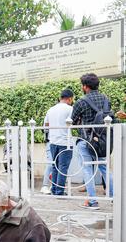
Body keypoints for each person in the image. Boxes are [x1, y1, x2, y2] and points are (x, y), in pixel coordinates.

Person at [72, 73, 113, 210]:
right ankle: (114, 198)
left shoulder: (81, 102)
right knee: (105, 168)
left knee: (88, 169)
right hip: (102, 140)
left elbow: (72, 121)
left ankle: (92, 202)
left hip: (86, 141)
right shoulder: (106, 100)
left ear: (85, 86)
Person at [44, 89, 74, 196]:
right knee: (63, 167)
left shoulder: (50, 109)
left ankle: (54, 190)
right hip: (65, 142)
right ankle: (60, 191)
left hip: (53, 141)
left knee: (55, 166)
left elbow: (46, 125)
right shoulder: (70, 109)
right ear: (70, 98)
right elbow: (73, 123)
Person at [40, 129, 52, 195]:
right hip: (50, 141)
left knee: (57, 165)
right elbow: (45, 129)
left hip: (58, 141)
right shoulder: (48, 118)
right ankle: (45, 186)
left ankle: (54, 186)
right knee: (50, 164)